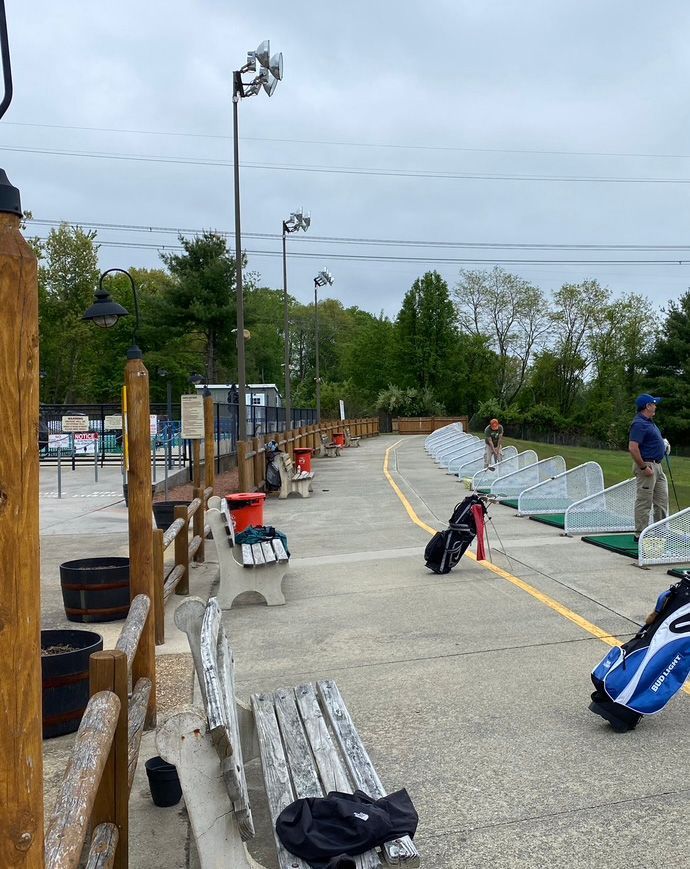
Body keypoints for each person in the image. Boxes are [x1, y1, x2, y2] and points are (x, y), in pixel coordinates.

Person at [628, 394, 670, 540]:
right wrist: (643, 467)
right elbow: (633, 448)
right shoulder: (639, 423)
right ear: (647, 406)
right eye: (653, 404)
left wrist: (663, 444)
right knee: (644, 501)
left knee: (662, 501)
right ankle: (640, 534)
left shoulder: (650, 422)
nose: (655, 406)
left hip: (658, 466)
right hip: (647, 466)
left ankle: (660, 533)